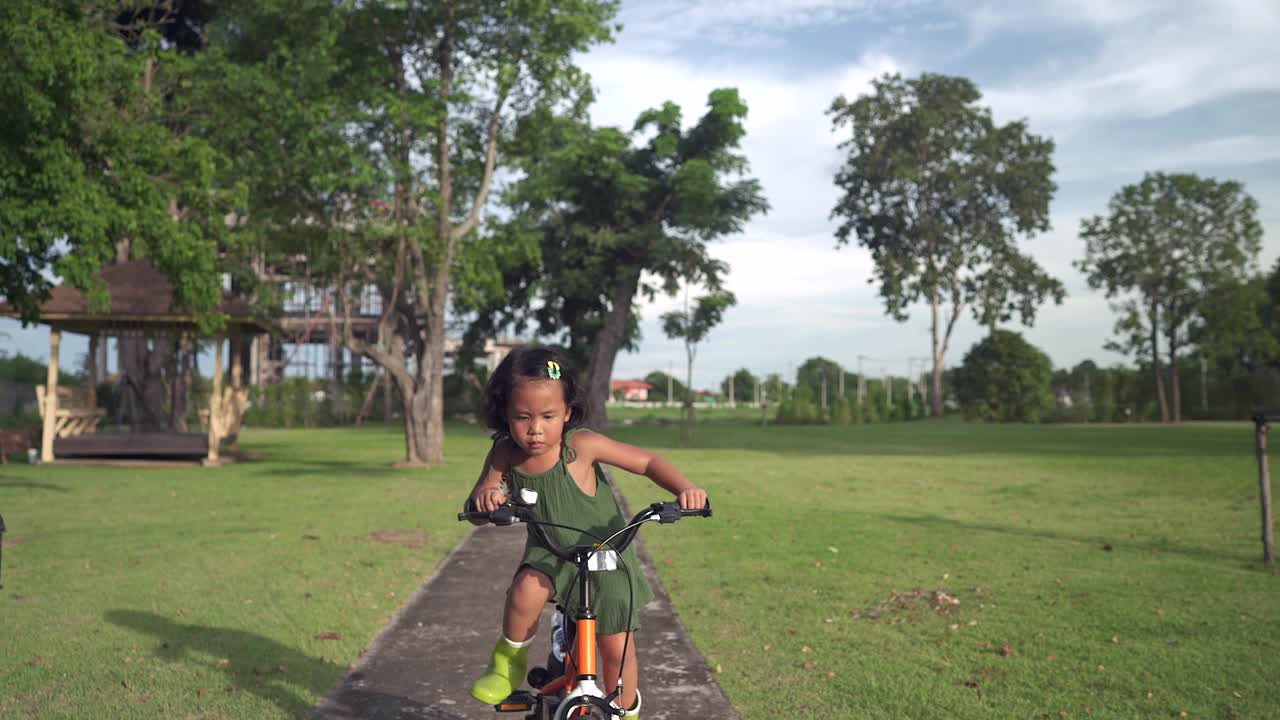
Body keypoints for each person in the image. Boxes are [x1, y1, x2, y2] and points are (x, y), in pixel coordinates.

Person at [466, 347, 707, 718]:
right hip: (551, 554)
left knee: (617, 649)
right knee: (524, 591)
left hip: (608, 554)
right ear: (505, 414)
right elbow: (482, 498)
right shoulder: (505, 453)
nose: (535, 429)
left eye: (548, 416)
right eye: (522, 417)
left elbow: (647, 462)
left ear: (567, 412)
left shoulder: (581, 446)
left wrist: (684, 489)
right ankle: (507, 663)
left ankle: (626, 711)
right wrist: (487, 498)